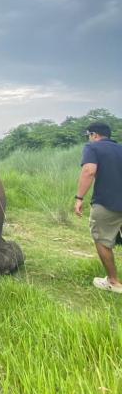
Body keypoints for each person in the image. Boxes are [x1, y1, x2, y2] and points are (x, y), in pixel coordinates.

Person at [75, 121, 122, 293]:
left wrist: (79, 198)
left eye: (89, 135)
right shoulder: (120, 148)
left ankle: (113, 282)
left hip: (107, 203)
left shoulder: (92, 148)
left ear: (94, 135)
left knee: (102, 241)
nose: (89, 138)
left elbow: (89, 171)